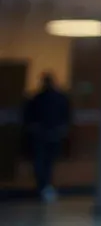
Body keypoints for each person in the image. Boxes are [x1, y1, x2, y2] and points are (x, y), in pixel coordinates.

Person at [22, 73, 71, 202]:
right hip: (54, 134)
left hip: (41, 134)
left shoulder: (36, 99)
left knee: (40, 161)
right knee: (48, 162)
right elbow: (66, 115)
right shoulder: (60, 98)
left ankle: (43, 186)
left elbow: (28, 117)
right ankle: (46, 186)